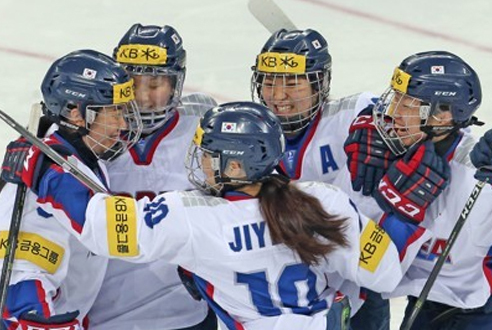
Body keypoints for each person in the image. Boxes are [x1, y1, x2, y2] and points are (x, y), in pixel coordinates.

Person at [30, 101, 431, 330]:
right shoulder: (321, 200)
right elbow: (385, 273)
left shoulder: (194, 218)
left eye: (209, 154)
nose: (200, 161)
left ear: (236, 167)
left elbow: (103, 227)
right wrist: (404, 212)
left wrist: (46, 169)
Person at [250, 28, 390, 329]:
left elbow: (407, 116)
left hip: (358, 282)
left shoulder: (350, 116)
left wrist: (380, 123)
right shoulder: (248, 131)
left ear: (320, 84)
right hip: (286, 293)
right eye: (269, 81)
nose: (278, 96)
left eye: (292, 83)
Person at [347, 50, 492, 329]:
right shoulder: (380, 152)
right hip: (423, 303)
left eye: (408, 105)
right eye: (395, 99)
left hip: (478, 313)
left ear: (444, 114)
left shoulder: (478, 175)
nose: (392, 113)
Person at [87, 23, 218, 330]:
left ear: (176, 83)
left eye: (155, 83)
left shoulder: (203, 125)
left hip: (187, 312)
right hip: (107, 312)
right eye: (132, 82)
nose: (142, 97)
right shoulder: (90, 133)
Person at [0, 49, 142, 328]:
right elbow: (21, 275)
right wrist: (35, 320)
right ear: (77, 114)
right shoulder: (42, 181)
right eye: (114, 112)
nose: (123, 124)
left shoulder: (76, 157)